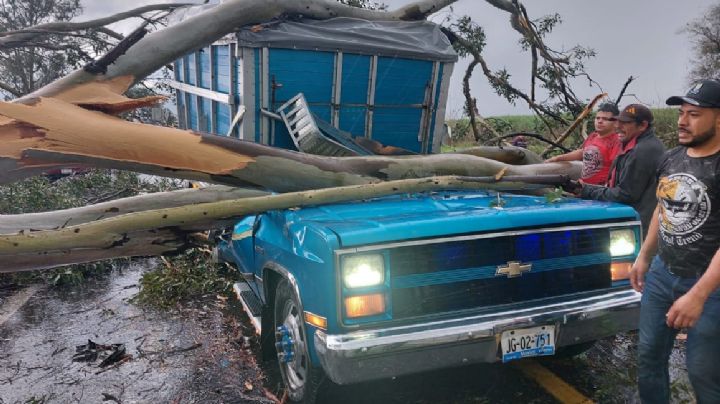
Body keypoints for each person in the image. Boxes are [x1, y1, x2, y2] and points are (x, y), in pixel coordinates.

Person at [631, 79, 720, 403]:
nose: (682, 121)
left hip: (710, 286)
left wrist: (698, 295)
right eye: (681, 112)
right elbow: (662, 207)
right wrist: (644, 256)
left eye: (694, 114)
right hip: (662, 274)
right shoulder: (671, 158)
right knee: (649, 359)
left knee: (704, 374)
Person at [574, 103, 666, 234]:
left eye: (625, 123)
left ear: (642, 126)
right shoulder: (635, 145)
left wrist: (587, 191)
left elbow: (625, 194)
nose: (618, 127)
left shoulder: (642, 151)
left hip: (641, 225)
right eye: (618, 122)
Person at [546, 102, 621, 185]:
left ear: (616, 123)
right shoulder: (592, 136)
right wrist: (557, 158)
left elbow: (616, 167)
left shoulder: (617, 141)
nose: (600, 121)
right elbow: (582, 152)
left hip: (600, 190)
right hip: (582, 187)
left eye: (605, 119)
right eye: (597, 118)